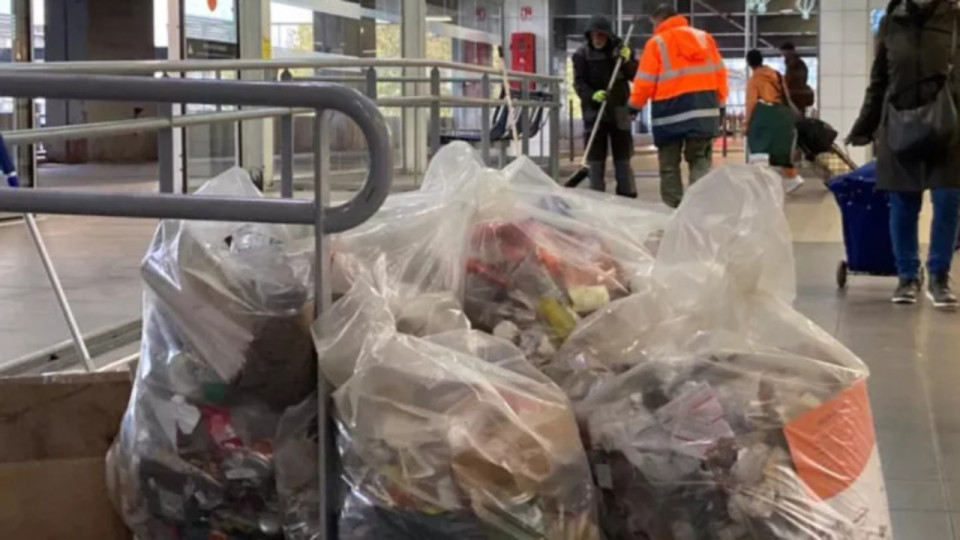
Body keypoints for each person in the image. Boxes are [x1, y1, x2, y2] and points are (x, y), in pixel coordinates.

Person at [847, 0, 960, 309]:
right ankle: (908, 275)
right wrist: (865, 124)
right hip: (899, 125)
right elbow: (880, 79)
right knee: (902, 205)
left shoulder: (954, 19)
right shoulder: (891, 22)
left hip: (947, 127)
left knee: (948, 201)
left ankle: (939, 275)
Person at [629, 4, 728, 208]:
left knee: (669, 166)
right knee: (700, 161)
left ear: (659, 21)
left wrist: (633, 106)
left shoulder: (656, 43)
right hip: (703, 112)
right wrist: (720, 103)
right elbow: (720, 73)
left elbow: (645, 81)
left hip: (669, 115)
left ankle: (673, 210)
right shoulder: (704, 38)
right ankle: (697, 209)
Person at [572, 15, 639, 197]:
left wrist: (628, 62)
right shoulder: (581, 54)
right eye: (594, 35)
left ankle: (627, 194)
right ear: (589, 35)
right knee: (595, 158)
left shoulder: (621, 50)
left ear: (608, 36)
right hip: (594, 112)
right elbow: (579, 83)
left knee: (623, 156)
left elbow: (636, 76)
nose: (597, 39)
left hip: (620, 110)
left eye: (601, 35)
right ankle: (596, 196)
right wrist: (592, 95)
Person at [744, 49, 804, 194]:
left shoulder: (754, 80)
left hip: (764, 116)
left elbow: (751, 104)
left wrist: (747, 124)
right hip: (782, 115)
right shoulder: (776, 75)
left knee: (759, 152)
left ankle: (765, 187)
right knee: (780, 152)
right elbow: (786, 96)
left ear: (749, 63)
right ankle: (793, 179)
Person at [780, 42, 815, 115]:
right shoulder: (797, 63)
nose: (783, 55)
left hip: (795, 96)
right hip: (799, 96)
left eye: (785, 53)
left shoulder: (794, 64)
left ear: (791, 51)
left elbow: (792, 79)